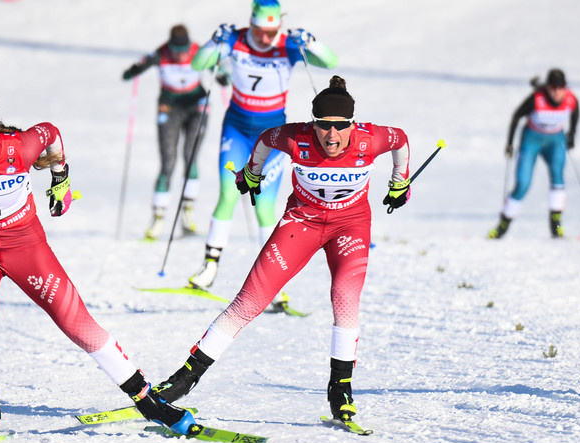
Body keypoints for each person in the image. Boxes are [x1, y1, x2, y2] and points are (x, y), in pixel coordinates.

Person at [0, 88, 195, 437]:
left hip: (26, 247)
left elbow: (50, 132)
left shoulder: (18, 147)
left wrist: (60, 178)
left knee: (76, 322)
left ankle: (146, 400)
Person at [153, 76, 412, 424]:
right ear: (313, 123)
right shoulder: (295, 137)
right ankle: (185, 378)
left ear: (353, 123)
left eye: (339, 127)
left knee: (344, 295)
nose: (331, 136)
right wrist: (252, 172)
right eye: (323, 126)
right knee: (250, 301)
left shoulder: (371, 138)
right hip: (302, 223)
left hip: (349, 225)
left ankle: (341, 388)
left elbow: (401, 140)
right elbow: (263, 139)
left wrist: (400, 181)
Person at [187, 0, 338, 312]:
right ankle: (209, 268)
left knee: (264, 206)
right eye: (261, 31)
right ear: (251, 24)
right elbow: (199, 65)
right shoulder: (235, 39)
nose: (267, 38)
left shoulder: (287, 45)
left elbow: (330, 62)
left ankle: (274, 284)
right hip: (237, 129)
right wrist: (214, 41)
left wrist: (312, 41)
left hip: (272, 137)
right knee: (228, 194)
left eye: (272, 31)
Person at [122, 25, 228, 240]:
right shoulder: (160, 53)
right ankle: (157, 219)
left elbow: (221, 72)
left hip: (196, 107)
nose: (180, 55)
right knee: (168, 161)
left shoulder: (198, 51)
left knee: (190, 157)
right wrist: (133, 71)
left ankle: (187, 216)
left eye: (184, 50)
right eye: (176, 51)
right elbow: (134, 70)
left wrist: (222, 77)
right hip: (169, 108)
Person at [489, 68, 580, 239]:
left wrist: (572, 134)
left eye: (560, 88)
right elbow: (516, 116)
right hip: (532, 138)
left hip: (555, 140)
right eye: (553, 87)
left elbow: (575, 114)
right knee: (523, 183)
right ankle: (503, 224)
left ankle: (556, 225)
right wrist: (509, 143)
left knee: (558, 177)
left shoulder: (571, 99)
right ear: (547, 87)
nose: (556, 92)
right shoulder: (536, 99)